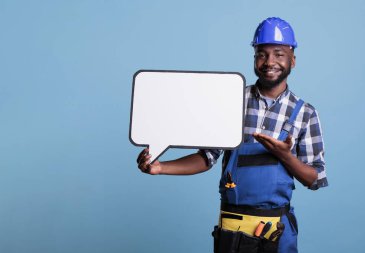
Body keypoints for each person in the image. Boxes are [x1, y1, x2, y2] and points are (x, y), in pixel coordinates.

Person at [136, 17, 328, 253]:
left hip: (277, 231)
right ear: (254, 58)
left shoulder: (306, 114)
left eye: (278, 54)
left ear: (293, 60)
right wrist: (160, 167)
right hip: (233, 231)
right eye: (261, 54)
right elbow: (207, 157)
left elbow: (315, 178)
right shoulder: (231, 101)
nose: (270, 62)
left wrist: (285, 156)